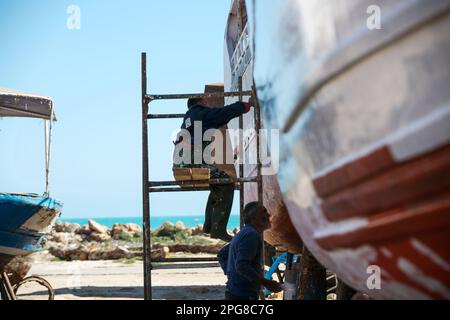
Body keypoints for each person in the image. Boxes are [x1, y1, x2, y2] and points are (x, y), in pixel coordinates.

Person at [173, 97, 252, 241]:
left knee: (217, 183)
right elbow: (225, 112)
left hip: (182, 163)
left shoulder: (188, 118)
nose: (208, 105)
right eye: (206, 103)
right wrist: (247, 105)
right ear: (201, 103)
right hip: (192, 163)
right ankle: (218, 229)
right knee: (226, 182)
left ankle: (209, 225)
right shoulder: (201, 113)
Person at [217, 202, 283, 300]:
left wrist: (233, 276)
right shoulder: (251, 236)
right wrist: (267, 283)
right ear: (254, 218)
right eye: (264, 212)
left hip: (235, 291)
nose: (268, 215)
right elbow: (242, 265)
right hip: (243, 295)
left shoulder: (243, 233)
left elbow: (222, 254)